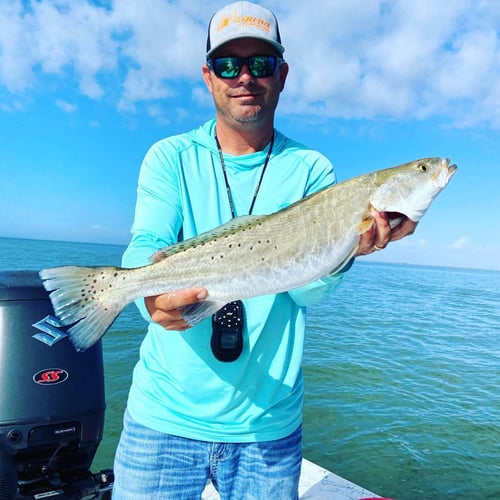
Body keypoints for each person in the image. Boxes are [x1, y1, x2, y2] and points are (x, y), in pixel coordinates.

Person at [112, 2, 416, 499]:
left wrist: (348, 251)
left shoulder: (312, 169)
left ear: (283, 74)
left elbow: (307, 295)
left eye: (262, 63)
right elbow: (146, 245)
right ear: (209, 77)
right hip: (162, 419)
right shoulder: (170, 157)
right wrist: (146, 296)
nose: (246, 77)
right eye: (230, 65)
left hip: (268, 429)